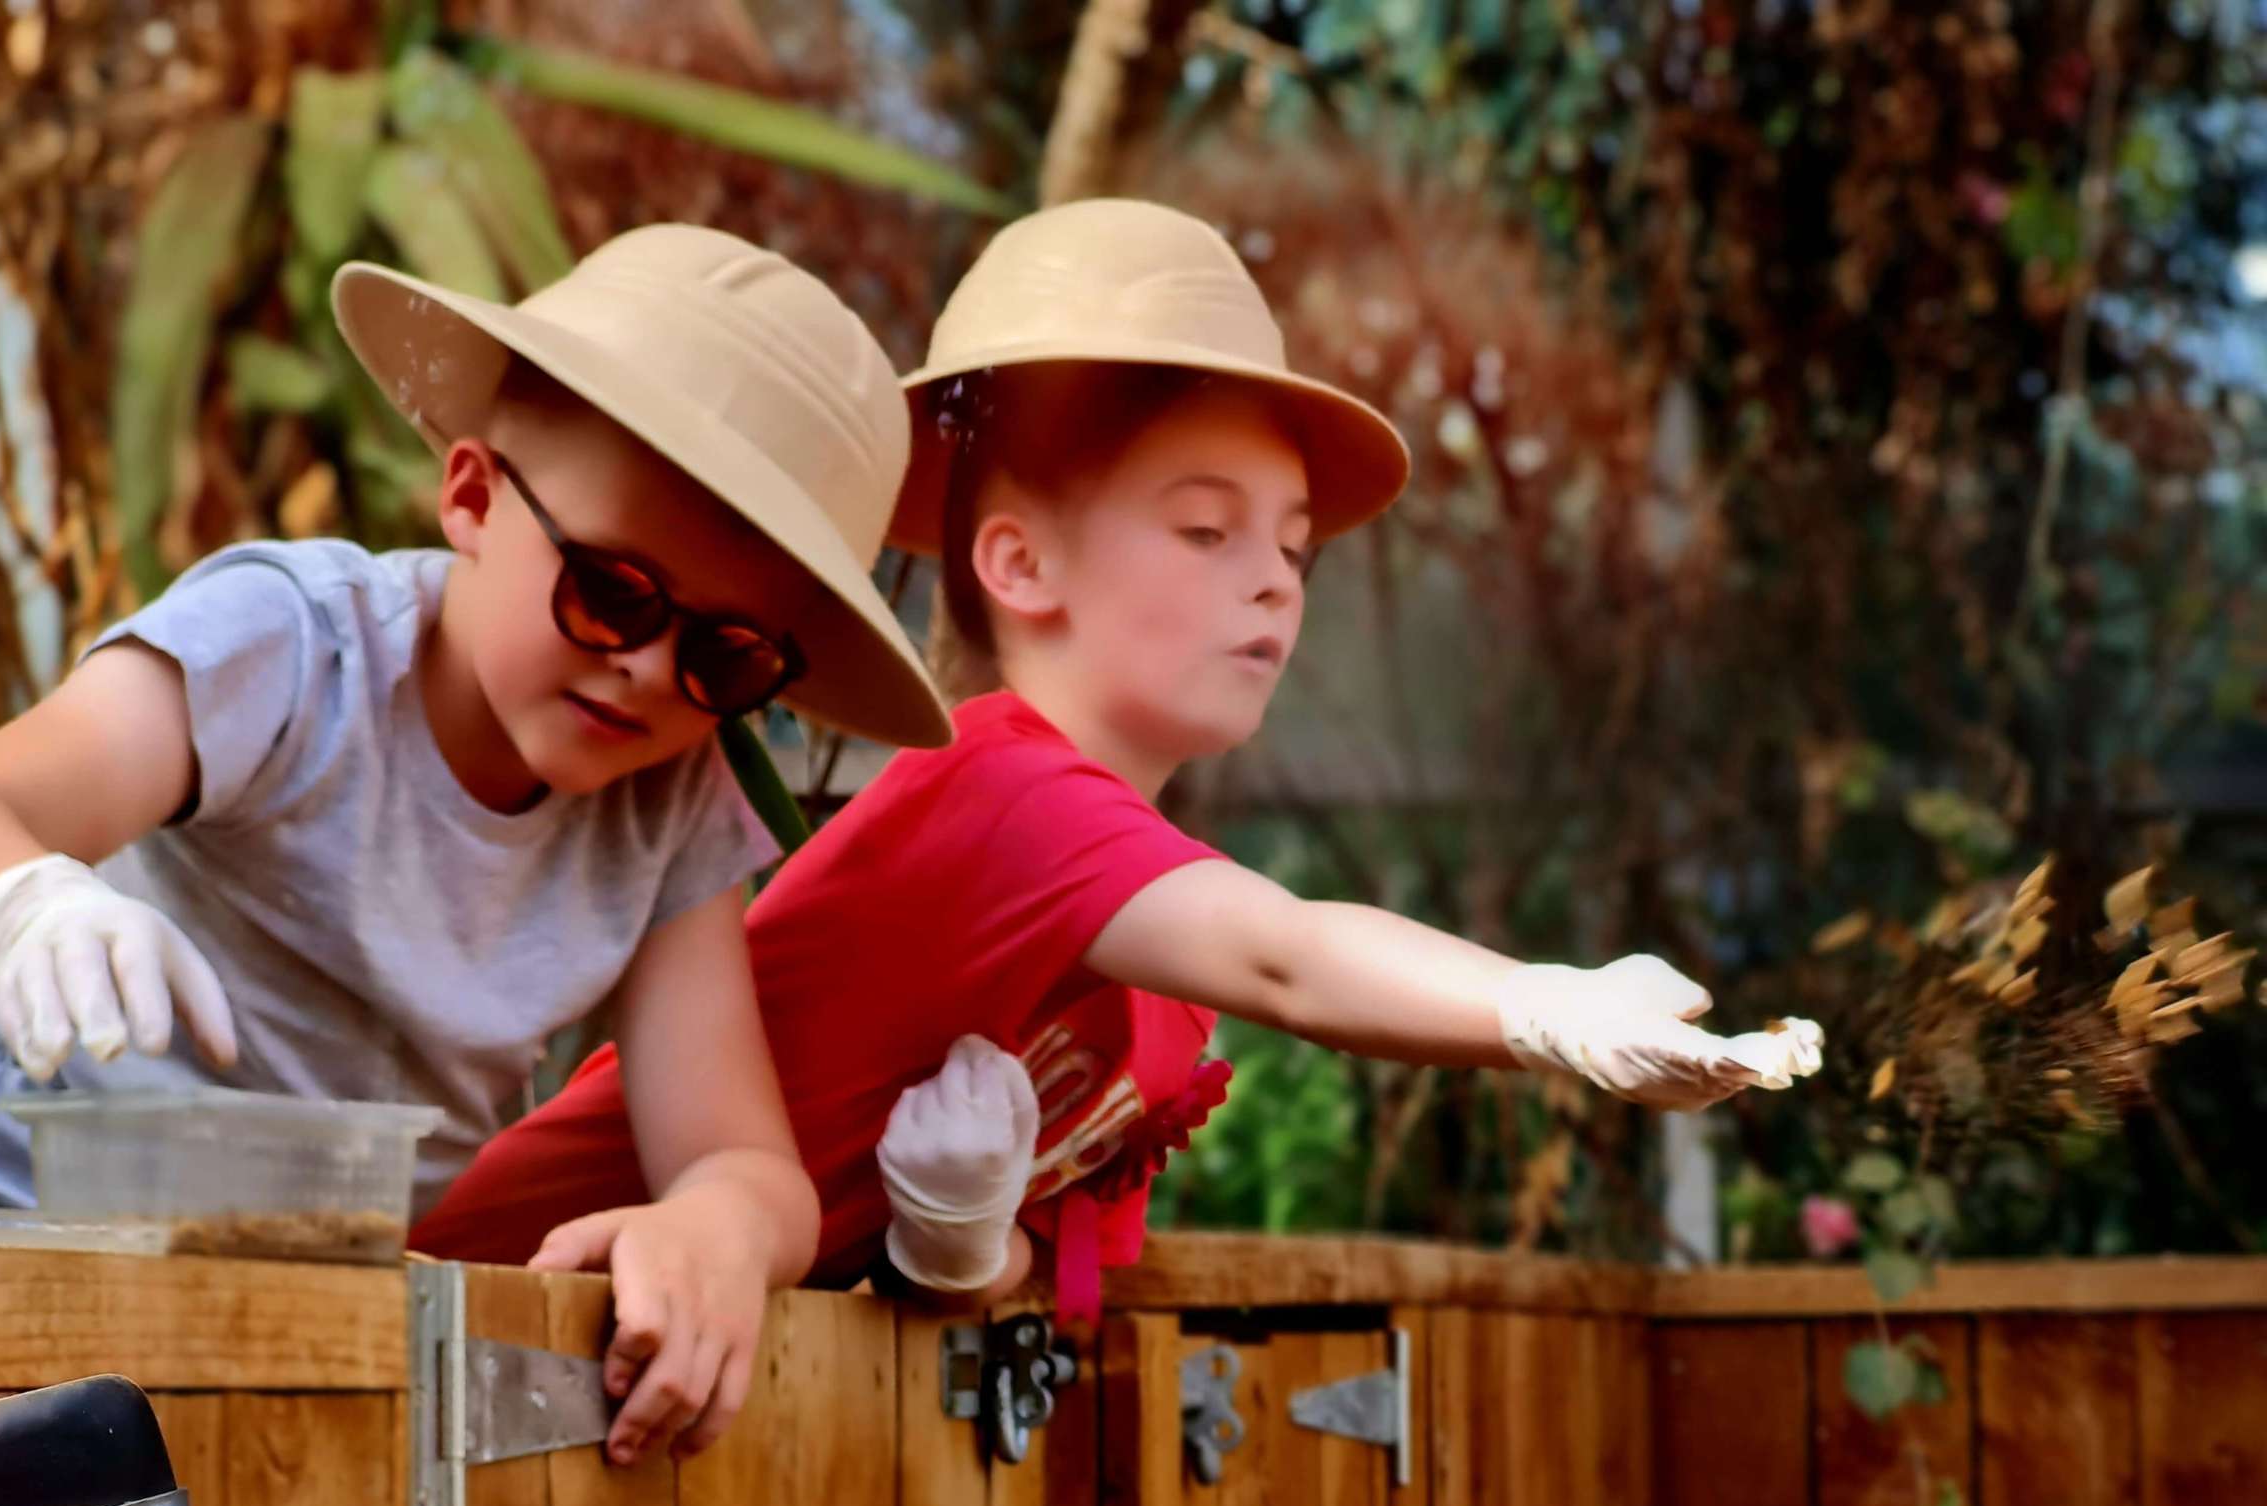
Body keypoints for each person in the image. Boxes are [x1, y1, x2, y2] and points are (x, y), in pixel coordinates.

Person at [409, 200, 1822, 1321]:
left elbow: (1041, 1283)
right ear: (1017, 560)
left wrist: (956, 1251)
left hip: (666, 1362)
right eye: (1207, 531)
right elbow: (1291, 955)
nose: (1273, 585)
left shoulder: (1160, 991)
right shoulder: (1000, 792)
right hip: (479, 1310)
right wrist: (1548, 1006)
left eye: (1293, 547)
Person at [0, 225, 951, 1460]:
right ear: (474, 497)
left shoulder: (668, 809)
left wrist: (721, 1230)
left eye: (725, 654)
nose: (648, 670)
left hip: (243, 1331)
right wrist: (24, 907)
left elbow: (741, 1159)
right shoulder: (295, 646)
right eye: (613, 590)